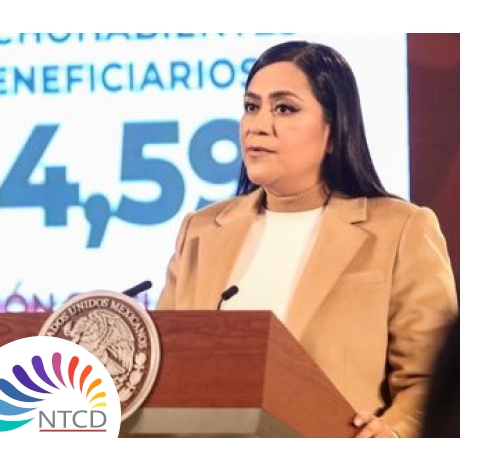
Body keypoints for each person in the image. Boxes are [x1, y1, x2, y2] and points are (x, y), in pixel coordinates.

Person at [155, 41, 458, 438]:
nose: (258, 125)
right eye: (251, 106)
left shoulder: (400, 229)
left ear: (334, 131)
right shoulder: (201, 231)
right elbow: (163, 371)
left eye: (284, 108)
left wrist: (393, 433)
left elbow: (431, 381)